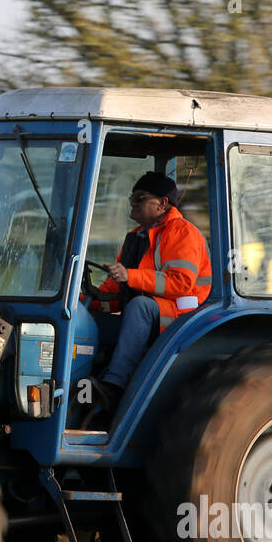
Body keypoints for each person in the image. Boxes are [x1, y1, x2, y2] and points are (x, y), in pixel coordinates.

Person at [87, 171, 211, 407]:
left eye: (140, 197)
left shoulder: (182, 232)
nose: (132, 203)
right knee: (88, 321)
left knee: (140, 306)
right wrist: (83, 301)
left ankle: (115, 385)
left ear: (162, 203)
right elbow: (114, 292)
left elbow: (181, 283)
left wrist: (130, 276)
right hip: (149, 312)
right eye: (131, 197)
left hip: (181, 316)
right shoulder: (136, 237)